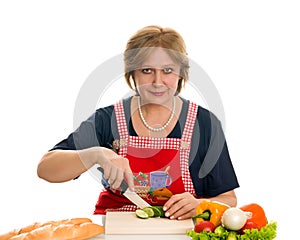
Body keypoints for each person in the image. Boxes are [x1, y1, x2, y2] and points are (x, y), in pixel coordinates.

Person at [37, 25, 239, 220]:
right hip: (115, 229)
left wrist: (202, 205)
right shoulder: (107, 119)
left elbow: (228, 199)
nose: (158, 82)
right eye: (147, 70)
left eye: (167, 70)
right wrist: (96, 154)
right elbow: (45, 168)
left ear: (181, 73)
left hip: (179, 230)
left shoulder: (204, 123)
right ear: (132, 72)